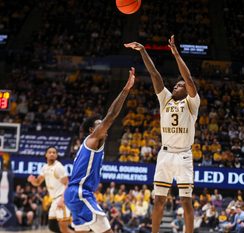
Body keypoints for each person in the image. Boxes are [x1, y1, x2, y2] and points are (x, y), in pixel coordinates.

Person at [125, 35, 200, 233]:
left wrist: (175, 53)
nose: (176, 85)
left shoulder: (192, 103)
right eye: (176, 84)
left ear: (188, 90)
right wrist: (142, 50)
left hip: (184, 154)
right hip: (165, 154)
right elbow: (155, 74)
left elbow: (189, 79)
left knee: (186, 201)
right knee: (158, 200)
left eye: (180, 85)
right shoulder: (165, 99)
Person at [64, 68, 135, 233]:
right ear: (91, 130)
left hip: (74, 194)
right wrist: (126, 89)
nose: (104, 124)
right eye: (99, 124)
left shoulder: (88, 145)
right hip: (81, 193)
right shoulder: (92, 140)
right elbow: (111, 115)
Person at [27, 146, 73, 233]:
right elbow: (37, 182)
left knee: (64, 229)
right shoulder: (45, 167)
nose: (52, 154)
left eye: (54, 152)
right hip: (54, 200)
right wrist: (32, 181)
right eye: (50, 152)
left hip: (62, 198)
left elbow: (68, 184)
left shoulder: (58, 167)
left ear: (56, 155)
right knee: (52, 226)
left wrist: (62, 200)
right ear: (46, 155)